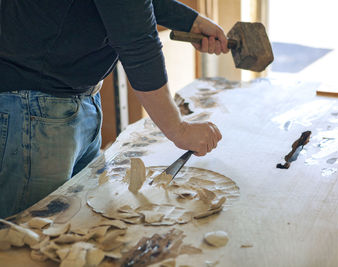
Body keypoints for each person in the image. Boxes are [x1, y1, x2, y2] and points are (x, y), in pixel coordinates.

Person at [0, 0, 228, 218]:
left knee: (76, 225)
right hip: (32, 106)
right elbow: (138, 44)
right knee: (26, 244)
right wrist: (179, 130)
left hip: (73, 99)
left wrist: (191, 22)